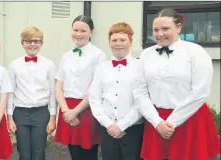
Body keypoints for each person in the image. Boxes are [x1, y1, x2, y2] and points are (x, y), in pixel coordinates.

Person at [134, 8, 220, 160]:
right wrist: (157, 122)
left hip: (189, 119)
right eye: (155, 30)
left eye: (165, 29)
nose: (160, 34)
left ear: (178, 27)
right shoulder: (145, 54)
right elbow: (139, 91)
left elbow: (200, 91)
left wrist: (172, 122)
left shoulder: (196, 52)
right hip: (157, 120)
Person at [54, 15, 106, 160]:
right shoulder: (66, 56)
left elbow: (96, 88)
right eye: (75, 30)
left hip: (87, 109)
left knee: (88, 155)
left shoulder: (99, 55)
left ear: (91, 33)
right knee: (74, 154)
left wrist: (75, 111)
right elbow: (58, 85)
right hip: (67, 108)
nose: (78, 34)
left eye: (83, 30)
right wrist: (66, 111)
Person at [89, 22, 144, 160]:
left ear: (130, 41)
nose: (118, 43)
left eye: (122, 40)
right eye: (114, 40)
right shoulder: (101, 68)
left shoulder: (141, 66)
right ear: (109, 43)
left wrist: (122, 125)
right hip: (107, 129)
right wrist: (109, 125)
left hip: (132, 129)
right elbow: (94, 99)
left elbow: (143, 101)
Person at [7, 26, 57, 160]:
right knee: (23, 152)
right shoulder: (14, 65)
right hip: (20, 113)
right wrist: (9, 117)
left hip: (41, 113)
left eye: (36, 41)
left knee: (38, 152)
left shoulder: (49, 65)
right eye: (29, 41)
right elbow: (10, 93)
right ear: (22, 43)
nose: (33, 44)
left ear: (41, 43)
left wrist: (53, 119)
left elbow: (53, 92)